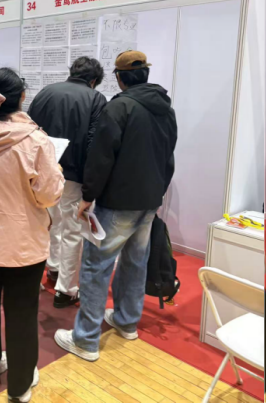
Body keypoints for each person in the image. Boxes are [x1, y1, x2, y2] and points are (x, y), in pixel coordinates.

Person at [53, 51, 177, 362]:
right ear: (145, 74)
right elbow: (169, 156)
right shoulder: (166, 109)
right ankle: (126, 322)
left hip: (118, 202)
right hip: (149, 201)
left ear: (120, 78)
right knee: (135, 261)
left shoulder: (118, 107)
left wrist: (88, 195)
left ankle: (85, 339)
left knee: (96, 266)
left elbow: (101, 157)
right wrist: (158, 192)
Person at [0, 69, 64, 403]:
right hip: (23, 241)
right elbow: (48, 195)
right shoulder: (36, 140)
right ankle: (19, 385)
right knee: (21, 311)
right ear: (21, 97)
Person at [28, 57, 107, 308]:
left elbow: (29, 129)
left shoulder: (45, 92)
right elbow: (95, 142)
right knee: (73, 230)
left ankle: (52, 268)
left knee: (49, 221)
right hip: (74, 173)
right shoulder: (95, 99)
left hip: (44, 171)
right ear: (94, 80)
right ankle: (66, 289)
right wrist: (91, 184)